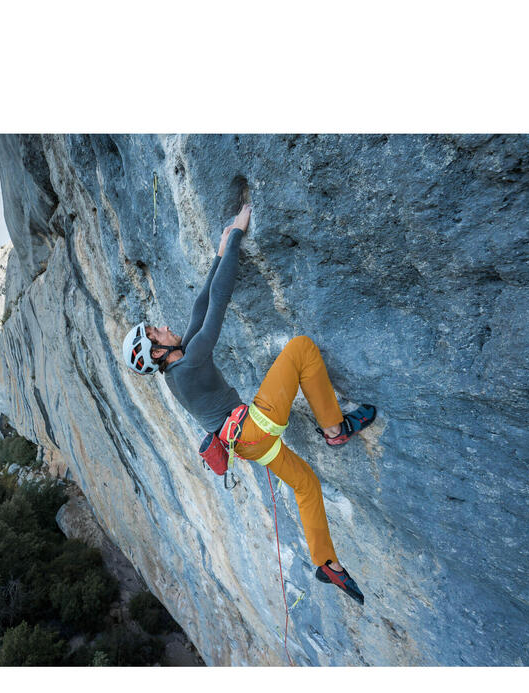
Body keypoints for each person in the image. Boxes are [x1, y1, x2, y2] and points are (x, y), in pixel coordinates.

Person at [122, 203, 376, 605]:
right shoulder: (187, 365)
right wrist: (238, 232)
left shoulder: (178, 366)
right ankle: (334, 429)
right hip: (254, 426)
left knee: (306, 483)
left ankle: (327, 563)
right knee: (301, 349)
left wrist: (221, 250)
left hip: (246, 443)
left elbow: (199, 305)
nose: (164, 327)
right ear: (156, 352)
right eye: (156, 331)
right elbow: (218, 304)